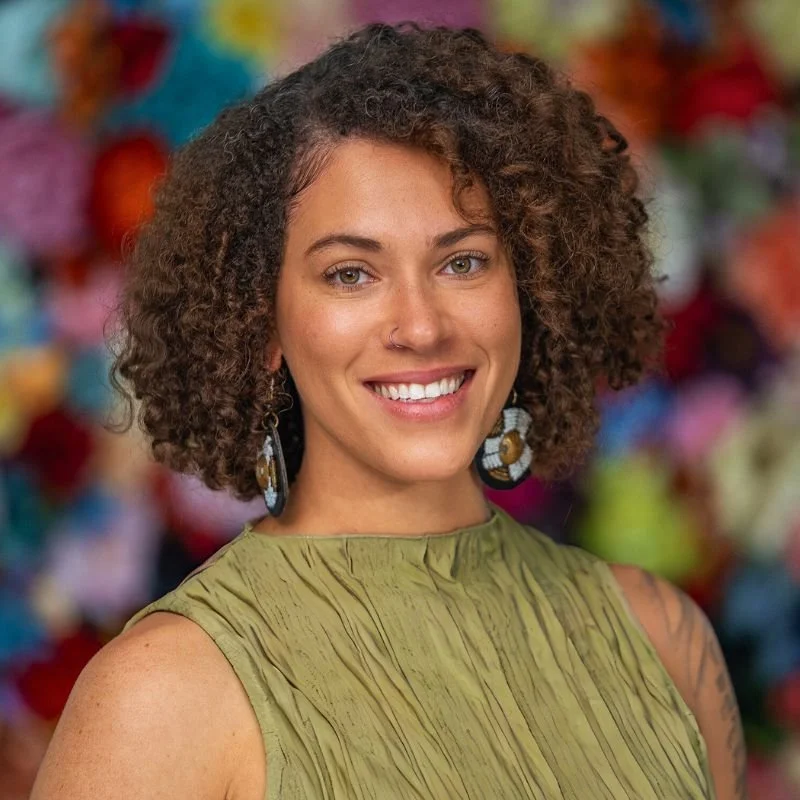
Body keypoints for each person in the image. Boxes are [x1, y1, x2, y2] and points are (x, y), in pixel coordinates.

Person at [31, 22, 746, 800]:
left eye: (462, 261)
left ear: (530, 289)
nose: (422, 325)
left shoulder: (662, 640)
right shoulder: (163, 691)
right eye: (350, 274)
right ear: (261, 322)